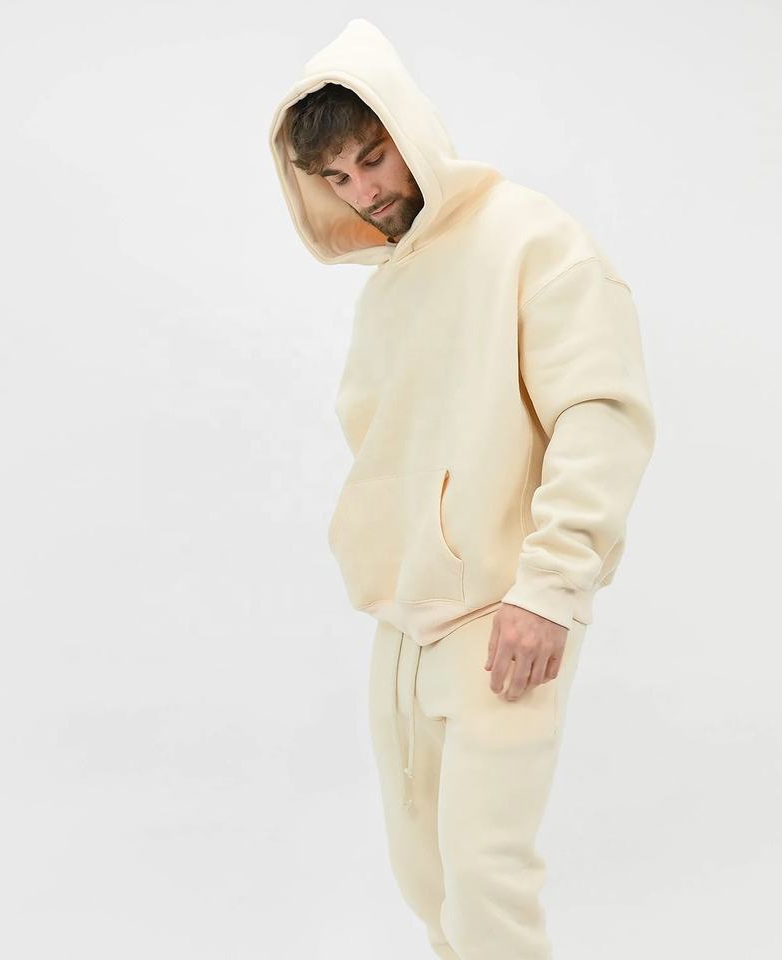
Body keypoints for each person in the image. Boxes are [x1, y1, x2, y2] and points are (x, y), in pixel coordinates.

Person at [268, 18, 657, 960]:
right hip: (403, 624)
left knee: (486, 883)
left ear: (413, 128)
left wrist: (550, 588)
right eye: (339, 178)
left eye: (374, 158)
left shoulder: (529, 236)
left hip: (504, 614)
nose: (366, 191)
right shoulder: (390, 287)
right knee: (428, 883)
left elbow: (600, 412)